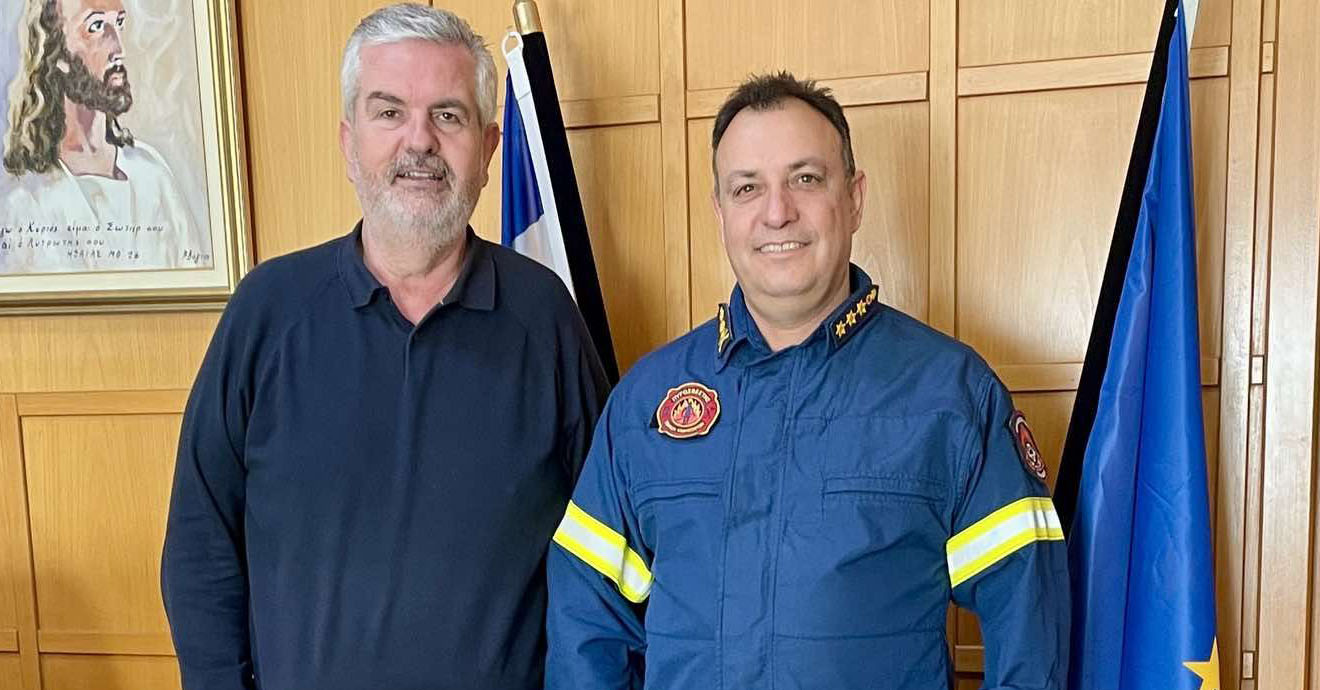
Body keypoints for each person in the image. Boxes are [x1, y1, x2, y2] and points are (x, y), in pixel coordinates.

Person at [546, 72, 1069, 689]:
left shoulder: (951, 397)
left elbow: (1029, 634)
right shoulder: (645, 404)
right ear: (720, 212)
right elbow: (587, 626)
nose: (777, 213)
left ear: (854, 198)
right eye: (747, 187)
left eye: (805, 179)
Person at [160, 4, 609, 689]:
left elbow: (603, 554)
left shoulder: (544, 317)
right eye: (389, 112)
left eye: (448, 115)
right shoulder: (267, 313)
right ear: (349, 141)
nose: (418, 141)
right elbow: (200, 545)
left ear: (489, 150)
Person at [0, 0, 206, 274]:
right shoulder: (25, 199)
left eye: (118, 24)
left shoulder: (153, 174)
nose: (118, 49)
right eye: (96, 27)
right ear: (56, 52)